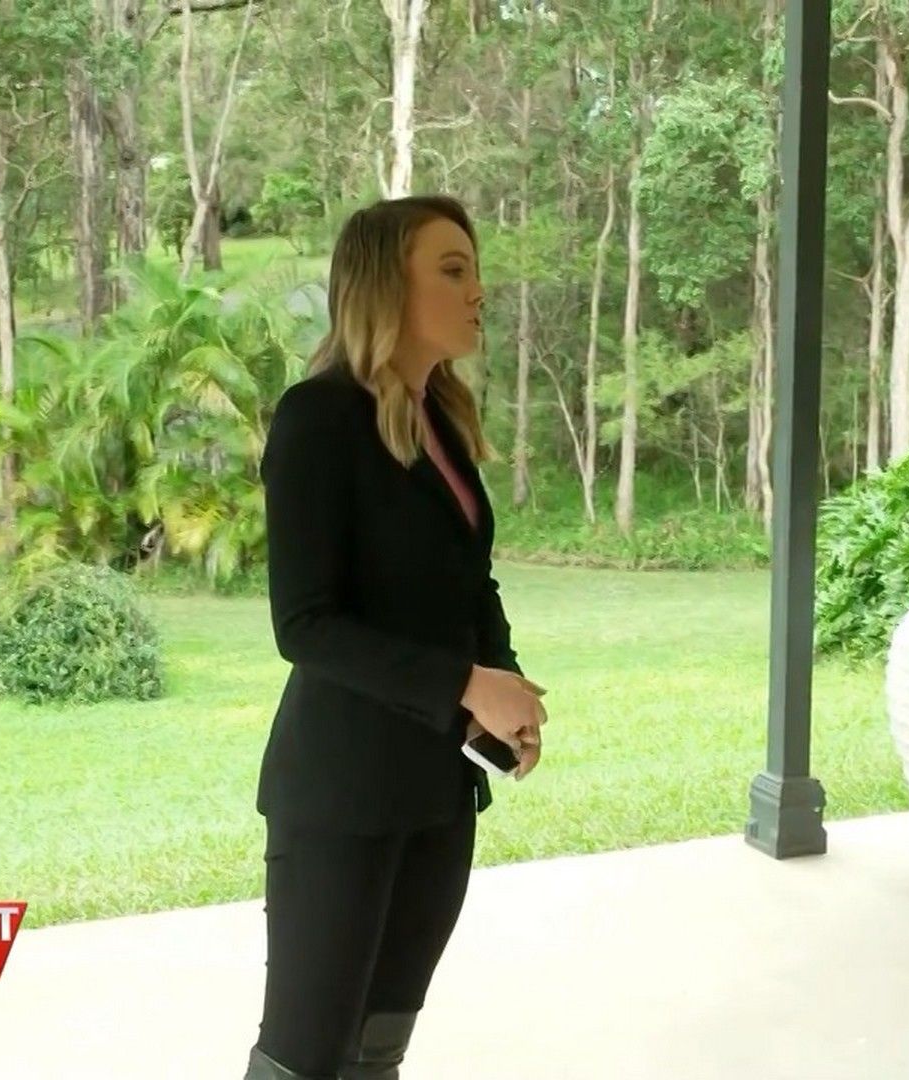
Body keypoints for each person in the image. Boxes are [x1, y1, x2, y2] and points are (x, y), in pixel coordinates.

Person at [245, 195, 548, 1080]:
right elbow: (305, 625)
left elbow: (470, 582)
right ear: (386, 286)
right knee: (304, 1058)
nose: (478, 290)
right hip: (340, 797)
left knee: (379, 1051)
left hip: (439, 792)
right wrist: (465, 683)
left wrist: (505, 689)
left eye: (475, 270)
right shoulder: (317, 418)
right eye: (452, 270)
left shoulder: (437, 417)